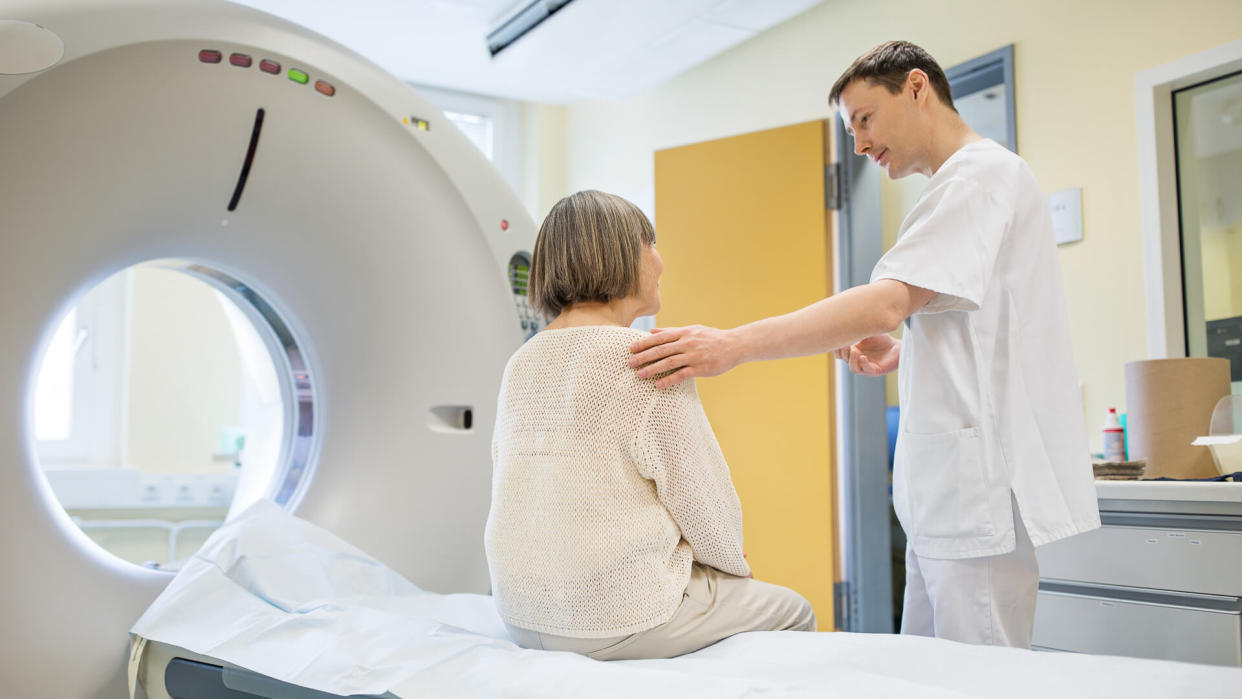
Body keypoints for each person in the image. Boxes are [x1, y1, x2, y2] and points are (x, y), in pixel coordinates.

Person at [627, 41, 1100, 648]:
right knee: (935, 674)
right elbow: (987, 328)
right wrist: (911, 352)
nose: (859, 145)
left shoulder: (980, 178)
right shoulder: (966, 186)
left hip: (974, 496)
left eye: (865, 120)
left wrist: (733, 345)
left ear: (917, 88)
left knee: (977, 679)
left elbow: (885, 302)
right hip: (951, 499)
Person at [484, 190, 815, 661]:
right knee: (794, 610)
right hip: (615, 618)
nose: (660, 260)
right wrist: (734, 572)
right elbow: (705, 505)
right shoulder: (646, 359)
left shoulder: (521, 363)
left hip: (520, 615)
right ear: (619, 254)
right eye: (651, 243)